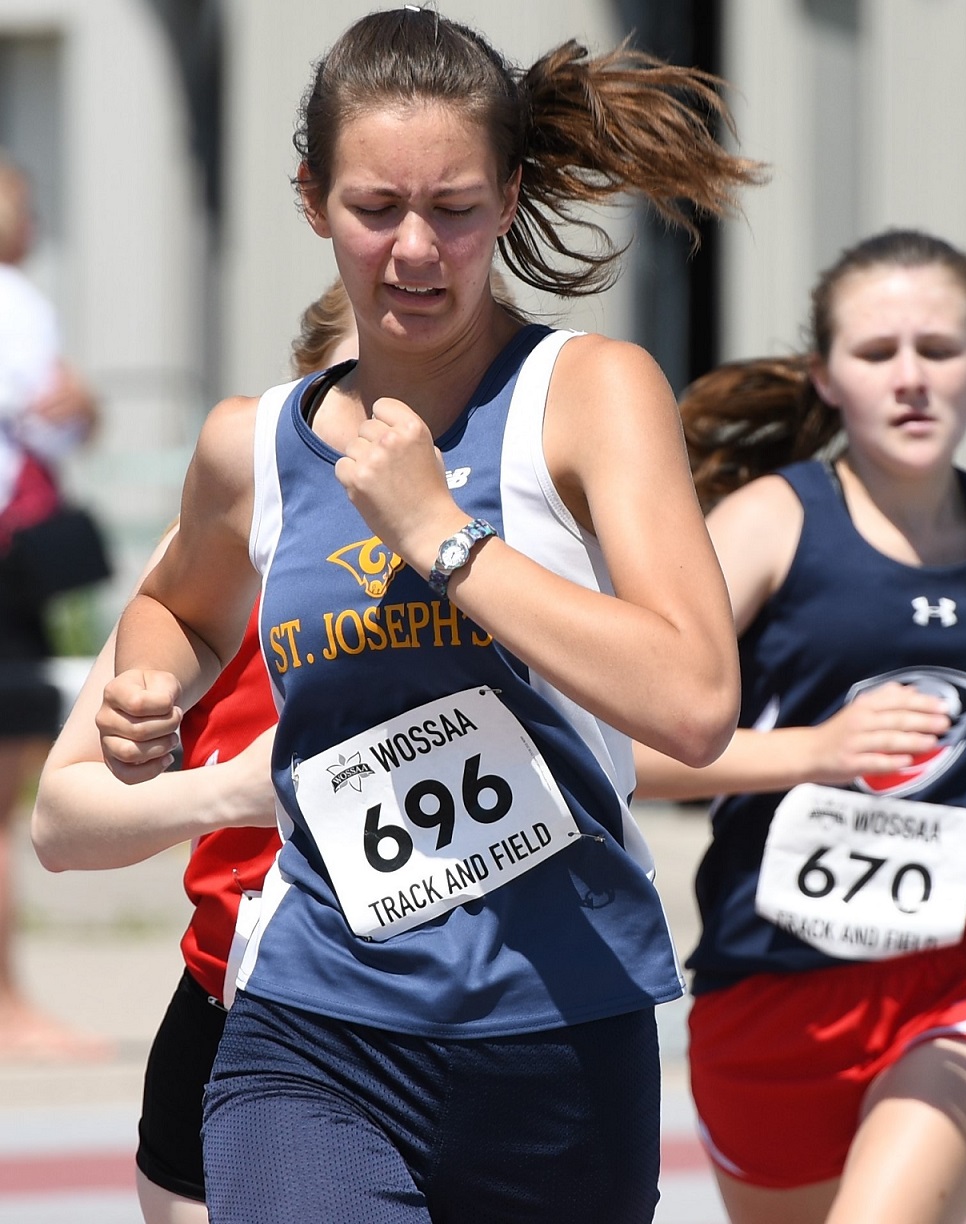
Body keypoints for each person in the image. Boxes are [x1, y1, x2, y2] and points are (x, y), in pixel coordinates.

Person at [95, 9, 761, 1222]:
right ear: (311, 200)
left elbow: (697, 700)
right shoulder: (255, 444)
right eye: (375, 209)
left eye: (454, 209)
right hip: (315, 1028)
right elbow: (176, 611)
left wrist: (445, 539)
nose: (416, 250)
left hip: (561, 1035)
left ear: (508, 198)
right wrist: (152, 683)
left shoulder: (588, 394)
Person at [634, 228, 966, 1224]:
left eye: (942, 350)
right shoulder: (765, 527)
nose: (912, 378)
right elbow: (617, 747)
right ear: (825, 377)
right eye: (878, 354)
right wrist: (814, 752)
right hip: (769, 982)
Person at [31, 276, 356, 1223]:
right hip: (239, 1001)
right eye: (357, 391)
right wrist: (239, 792)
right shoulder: (223, 550)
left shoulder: (503, 542)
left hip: (475, 1021)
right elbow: (62, 820)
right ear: (300, 397)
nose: (392, 435)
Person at [0, 150, 103, 1060]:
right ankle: (7, 1007)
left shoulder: (22, 301)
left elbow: (60, 415)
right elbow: (54, 412)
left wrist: (78, 405)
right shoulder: (13, 301)